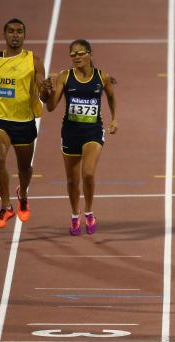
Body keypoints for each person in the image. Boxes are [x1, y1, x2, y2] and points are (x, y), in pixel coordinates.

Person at [40, 39, 117, 236]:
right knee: (72, 181)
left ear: (90, 53)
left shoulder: (102, 77)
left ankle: (90, 213)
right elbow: (50, 107)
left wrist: (114, 119)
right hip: (70, 133)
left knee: (88, 173)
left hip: (93, 132)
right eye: (72, 54)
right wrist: (46, 93)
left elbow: (110, 96)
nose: (76, 57)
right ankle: (75, 215)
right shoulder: (65, 77)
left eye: (80, 53)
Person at [0, 18, 46, 228]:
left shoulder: (34, 61)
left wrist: (46, 89)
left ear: (25, 35)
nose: (15, 35)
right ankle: (6, 207)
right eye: (11, 31)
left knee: (24, 167)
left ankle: (22, 194)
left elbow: (43, 86)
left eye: (19, 31)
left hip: (24, 121)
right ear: (4, 34)